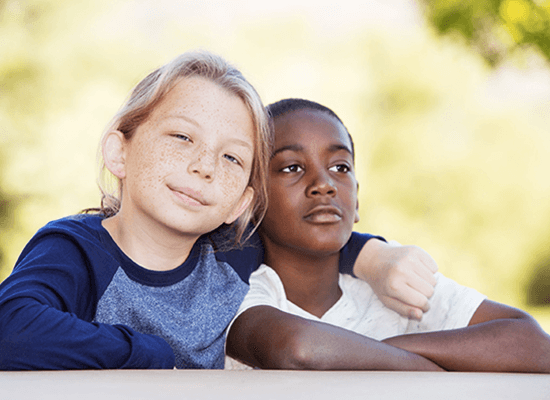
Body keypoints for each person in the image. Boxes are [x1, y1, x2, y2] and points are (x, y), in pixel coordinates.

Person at [0, 52, 437, 370]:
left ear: (242, 203)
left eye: (231, 158)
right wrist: (151, 354)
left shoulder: (231, 255)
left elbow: (299, 237)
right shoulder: (76, 251)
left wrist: (373, 257)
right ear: (119, 152)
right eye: (182, 138)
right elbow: (12, 328)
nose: (204, 166)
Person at [225, 98, 550, 372]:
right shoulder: (234, 288)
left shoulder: (391, 281)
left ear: (357, 199)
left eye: (340, 167)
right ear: (250, 200)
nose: (324, 183)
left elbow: (535, 345)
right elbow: (297, 348)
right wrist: (432, 369)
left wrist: (391, 350)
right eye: (292, 168)